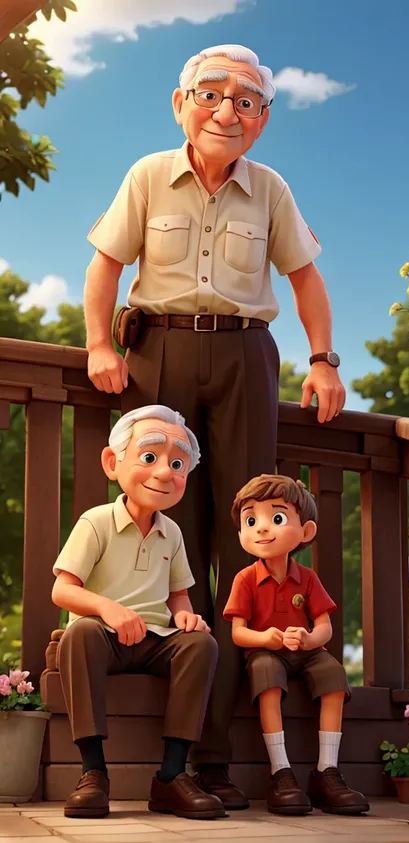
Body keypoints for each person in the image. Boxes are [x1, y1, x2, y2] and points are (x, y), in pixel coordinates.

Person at [83, 44, 346, 808]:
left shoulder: (270, 191)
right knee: (168, 533)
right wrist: (100, 345)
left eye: (246, 100)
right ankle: (166, 757)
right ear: (180, 103)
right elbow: (104, 264)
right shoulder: (144, 175)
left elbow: (305, 278)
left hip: (245, 361)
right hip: (158, 352)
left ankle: (215, 758)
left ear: (261, 121)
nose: (227, 109)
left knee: (244, 540)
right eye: (212, 93)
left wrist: (322, 359)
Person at [51, 405, 225, 821]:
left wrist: (184, 616)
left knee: (201, 643)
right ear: (114, 463)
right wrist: (109, 610)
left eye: (178, 463)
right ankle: (93, 772)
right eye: (150, 457)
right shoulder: (96, 522)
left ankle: (170, 776)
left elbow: (178, 596)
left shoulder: (173, 533)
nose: (165, 472)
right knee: (78, 635)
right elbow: (62, 589)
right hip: (103, 638)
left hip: (156, 641)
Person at [223, 474, 370, 816]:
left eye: (276, 518)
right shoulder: (245, 579)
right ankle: (281, 772)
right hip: (265, 652)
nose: (261, 528)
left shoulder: (308, 578)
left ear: (305, 532)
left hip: (305, 653)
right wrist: (265, 638)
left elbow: (324, 627)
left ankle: (326, 771)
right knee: (266, 676)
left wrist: (308, 639)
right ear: (242, 532)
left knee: (333, 674)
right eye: (250, 520)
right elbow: (238, 632)